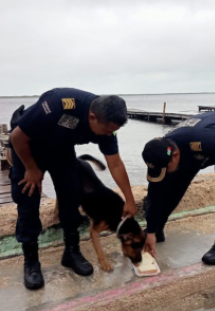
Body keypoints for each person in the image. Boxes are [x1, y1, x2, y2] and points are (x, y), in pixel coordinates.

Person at [9, 88, 137, 290]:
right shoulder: (57, 104)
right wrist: (32, 169)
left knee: (71, 196)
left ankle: (71, 252)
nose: (109, 135)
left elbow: (115, 164)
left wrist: (129, 200)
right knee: (28, 202)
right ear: (92, 117)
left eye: (112, 131)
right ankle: (31, 262)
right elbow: (17, 137)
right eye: (106, 131)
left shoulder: (107, 126)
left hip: (62, 149)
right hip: (29, 147)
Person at [141, 111, 215, 265]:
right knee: (168, 186)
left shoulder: (209, 141)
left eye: (164, 168)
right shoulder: (162, 151)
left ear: (175, 155)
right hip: (193, 148)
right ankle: (158, 230)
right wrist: (151, 230)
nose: (162, 173)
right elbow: (155, 193)